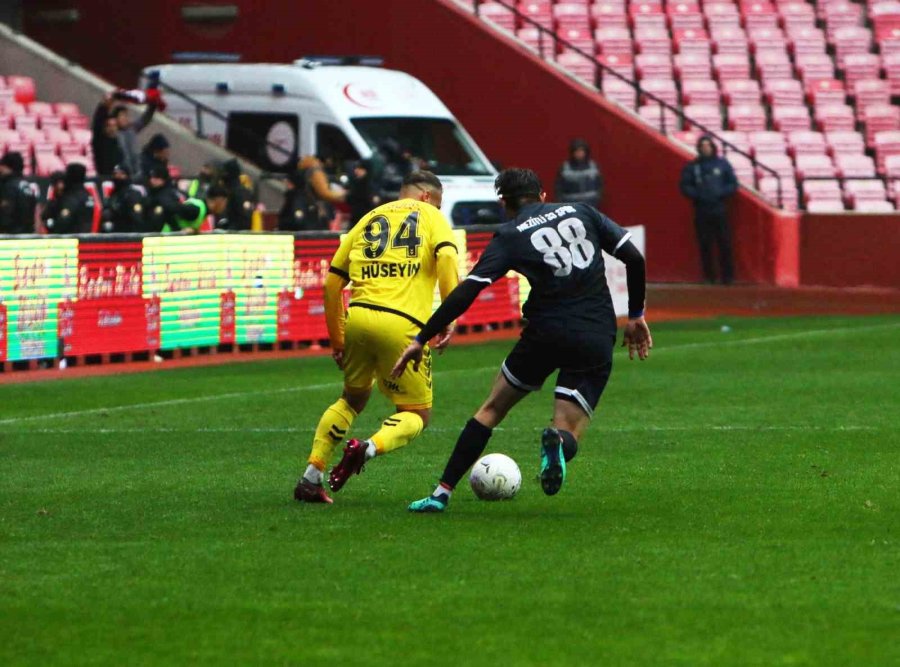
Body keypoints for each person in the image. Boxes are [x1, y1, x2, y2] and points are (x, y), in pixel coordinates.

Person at [392, 168, 651, 513]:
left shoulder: (510, 234)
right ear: (542, 195)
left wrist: (422, 337)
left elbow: (469, 290)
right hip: (594, 332)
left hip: (544, 334)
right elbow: (634, 258)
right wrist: (635, 315)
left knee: (491, 409)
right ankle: (558, 444)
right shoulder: (582, 211)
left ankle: (441, 493)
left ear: (504, 203)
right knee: (569, 426)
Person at [293, 170, 460, 504]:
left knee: (352, 399)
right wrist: (449, 315)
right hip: (403, 324)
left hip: (358, 318)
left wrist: (337, 339)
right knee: (416, 413)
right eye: (438, 204)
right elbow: (446, 257)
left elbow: (332, 283)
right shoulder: (431, 217)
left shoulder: (369, 218)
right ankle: (366, 449)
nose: (438, 210)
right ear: (426, 197)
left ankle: (311, 476)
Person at [679, 134, 738, 285]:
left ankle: (727, 277)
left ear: (713, 147)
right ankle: (709, 276)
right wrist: (698, 195)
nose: (706, 148)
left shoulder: (722, 164)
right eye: (703, 146)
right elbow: (685, 185)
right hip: (701, 209)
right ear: (699, 148)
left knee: (724, 242)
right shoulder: (693, 167)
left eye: (708, 145)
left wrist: (721, 193)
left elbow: (732, 184)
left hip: (719, 208)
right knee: (705, 244)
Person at [111, 98, 157, 181]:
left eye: (126, 115)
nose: (125, 118)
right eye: (122, 115)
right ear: (115, 118)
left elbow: (145, 119)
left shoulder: (132, 129)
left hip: (136, 174)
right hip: (121, 175)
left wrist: (153, 105)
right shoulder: (113, 134)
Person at [41, 163, 94, 234]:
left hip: (72, 237)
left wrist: (53, 227)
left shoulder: (72, 198)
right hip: (88, 236)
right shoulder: (88, 196)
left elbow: (62, 223)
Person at [297, 155, 345, 229]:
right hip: (317, 212)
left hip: (309, 209)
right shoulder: (316, 171)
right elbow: (324, 193)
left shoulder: (306, 170)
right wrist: (343, 195)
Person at [555, 138, 604, 208]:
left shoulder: (593, 166)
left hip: (591, 204)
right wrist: (561, 203)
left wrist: (598, 198)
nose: (579, 153)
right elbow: (559, 188)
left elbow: (600, 185)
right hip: (571, 205)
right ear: (572, 152)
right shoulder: (565, 167)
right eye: (577, 151)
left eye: (581, 151)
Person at [0, 151, 37, 234]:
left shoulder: (8, 186)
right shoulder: (27, 185)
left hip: (10, 235)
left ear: (7, 167)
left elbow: (6, 215)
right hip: (28, 234)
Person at [101, 164, 145, 233]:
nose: (118, 176)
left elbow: (137, 217)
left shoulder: (133, 194)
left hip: (129, 232)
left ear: (127, 176)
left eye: (121, 174)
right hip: (114, 232)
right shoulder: (112, 194)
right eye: (115, 174)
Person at [142, 164, 181, 233]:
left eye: (156, 178)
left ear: (163, 180)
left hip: (167, 232)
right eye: (152, 178)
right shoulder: (150, 192)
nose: (152, 180)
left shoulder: (167, 194)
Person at [218, 158, 254, 230]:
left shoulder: (239, 192)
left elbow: (244, 219)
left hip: (236, 234)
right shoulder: (230, 191)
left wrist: (230, 231)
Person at [91, 101, 124, 177]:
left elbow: (118, 163)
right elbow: (98, 122)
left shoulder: (118, 143)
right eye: (109, 125)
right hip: (103, 177)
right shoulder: (99, 141)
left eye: (114, 125)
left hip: (115, 178)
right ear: (105, 127)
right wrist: (105, 105)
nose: (112, 128)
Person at [346, 158, 381, 225]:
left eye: (360, 169)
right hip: (356, 219)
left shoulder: (370, 185)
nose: (356, 171)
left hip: (366, 220)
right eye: (356, 168)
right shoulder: (355, 183)